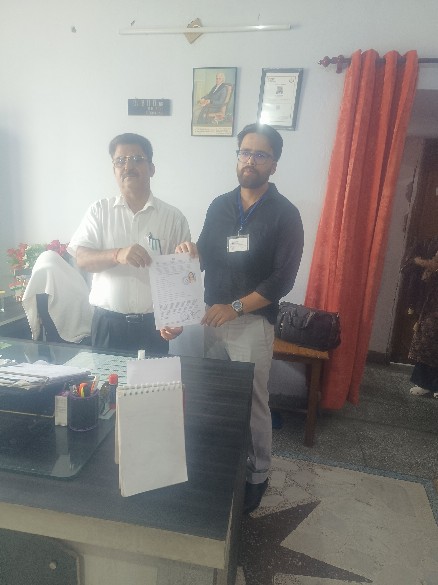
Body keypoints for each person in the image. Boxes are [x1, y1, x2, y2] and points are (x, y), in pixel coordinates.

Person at [176, 123, 304, 513]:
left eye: (260, 154)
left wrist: (233, 307)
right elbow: (207, 253)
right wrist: (190, 251)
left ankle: (257, 474)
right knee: (215, 395)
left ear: (274, 165)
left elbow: (281, 280)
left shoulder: (286, 214)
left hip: (251, 324)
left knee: (252, 403)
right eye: (245, 152)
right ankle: (221, 462)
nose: (250, 160)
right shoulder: (220, 205)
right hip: (212, 320)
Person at [68, 133, 190, 354]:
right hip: (108, 324)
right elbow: (82, 259)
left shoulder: (173, 218)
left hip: (154, 327)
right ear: (114, 169)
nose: (128, 166)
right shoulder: (99, 211)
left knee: (154, 378)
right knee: (107, 378)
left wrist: (177, 318)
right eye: (120, 161)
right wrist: (117, 254)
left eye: (136, 159)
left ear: (151, 168)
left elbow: (180, 273)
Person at [405, 237, 438, 397]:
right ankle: (425, 383)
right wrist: (429, 265)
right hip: (432, 307)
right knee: (427, 343)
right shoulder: (432, 243)